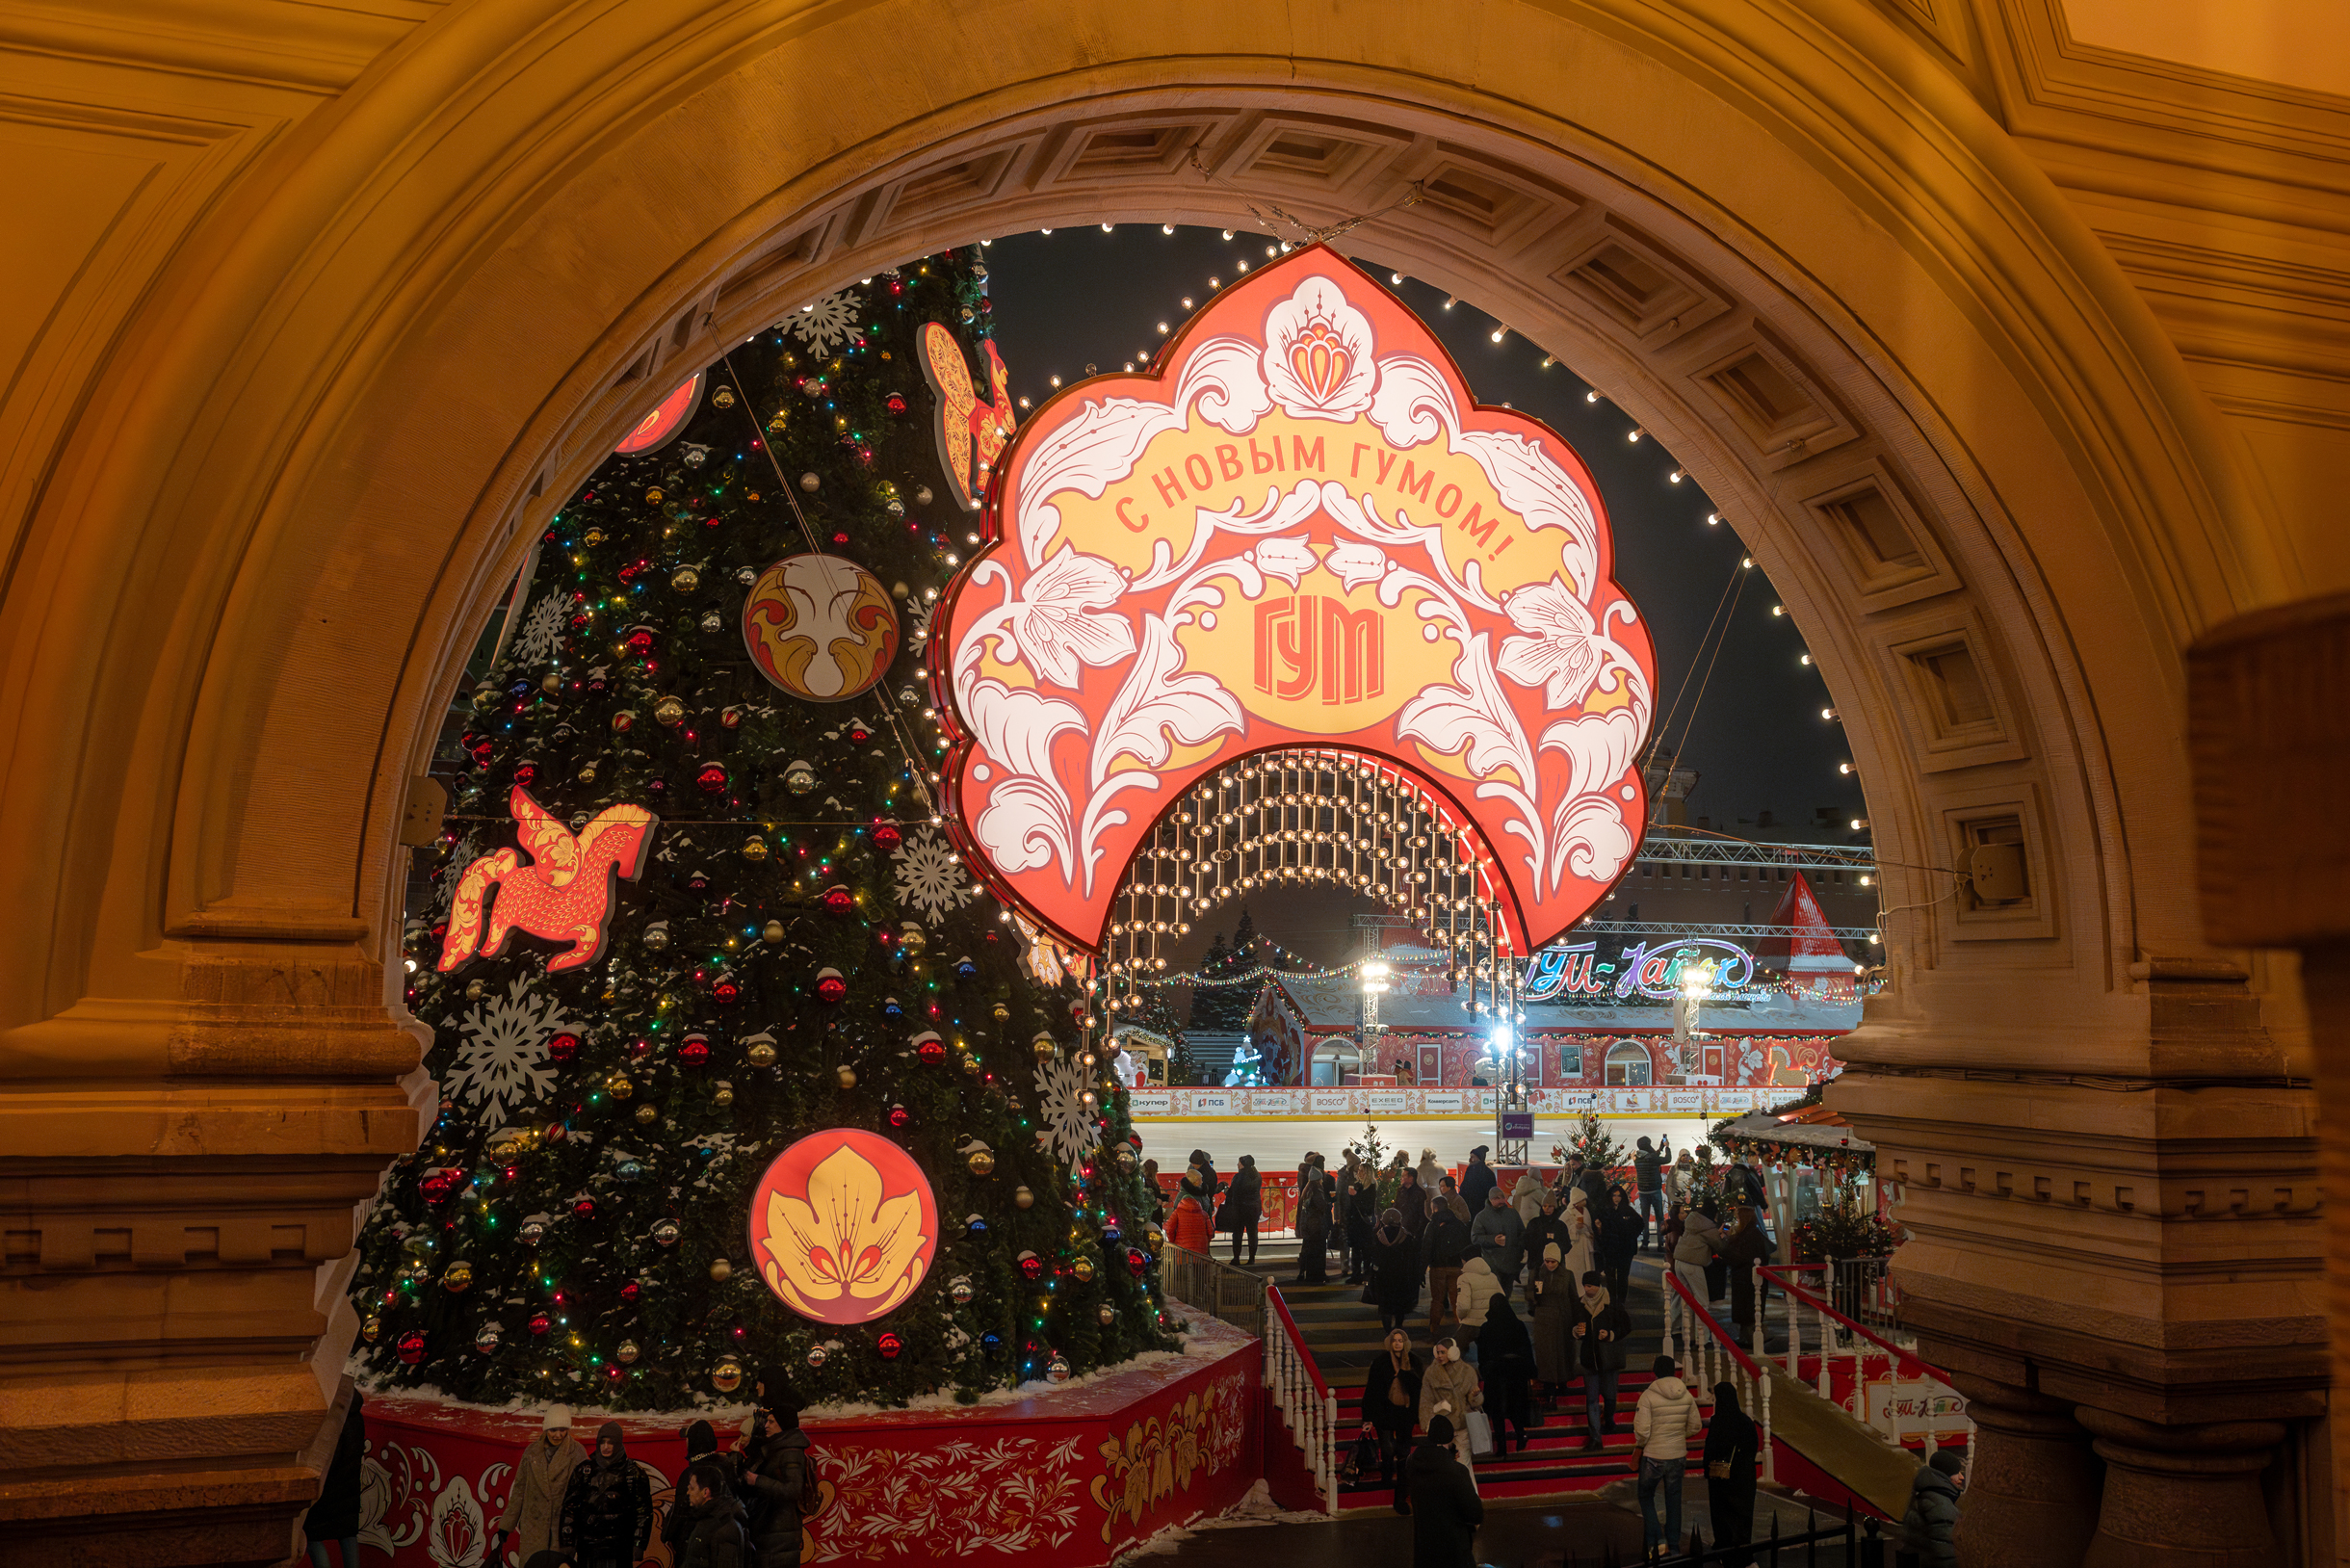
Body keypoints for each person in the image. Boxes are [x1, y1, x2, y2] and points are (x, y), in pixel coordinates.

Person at [736, 1373, 811, 1566]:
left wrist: (757, 1480)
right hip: (771, 1534)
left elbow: (793, 1489)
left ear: (783, 1425)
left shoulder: (790, 1453)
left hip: (779, 1539)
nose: (766, 1426)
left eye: (771, 1422)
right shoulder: (775, 1448)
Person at [495, 1405, 587, 1563]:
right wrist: (506, 1526)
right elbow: (519, 1491)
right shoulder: (532, 1452)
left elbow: (585, 1494)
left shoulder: (577, 1453)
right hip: (534, 1531)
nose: (558, 1435)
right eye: (553, 1430)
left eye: (562, 1429)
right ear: (545, 1429)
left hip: (561, 1533)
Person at [1632, 1355, 1704, 1559]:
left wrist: (1640, 1445)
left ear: (1656, 1371)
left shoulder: (1648, 1395)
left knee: (1645, 1496)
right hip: (1677, 1455)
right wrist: (1678, 1437)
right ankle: (1673, 1545)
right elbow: (1695, 1426)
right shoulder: (1686, 1394)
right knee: (1674, 1500)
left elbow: (1643, 1431)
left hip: (1653, 1456)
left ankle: (1657, 1540)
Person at [560, 1422, 653, 1568]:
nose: (606, 1447)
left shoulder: (633, 1473)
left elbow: (643, 1511)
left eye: (611, 1442)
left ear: (618, 1443)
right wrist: (568, 1542)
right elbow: (570, 1508)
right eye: (602, 1442)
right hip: (588, 1549)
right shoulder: (584, 1471)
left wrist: (638, 1544)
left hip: (619, 1550)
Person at [1401, 1414, 1484, 1567]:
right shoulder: (1457, 1471)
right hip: (1454, 1553)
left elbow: (1433, 1463)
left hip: (1425, 1554)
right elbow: (1475, 1513)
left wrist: (1447, 1458)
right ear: (1450, 1438)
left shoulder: (1413, 1464)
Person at [302, 1389, 365, 1567]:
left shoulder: (333, 1420)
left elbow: (329, 1455)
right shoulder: (355, 1415)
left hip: (327, 1489)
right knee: (347, 1533)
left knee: (312, 1536)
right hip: (349, 1487)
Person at [1573, 1270, 1631, 1450]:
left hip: (1608, 1358)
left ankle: (1610, 1419)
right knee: (1591, 1399)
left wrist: (1611, 1335)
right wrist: (1576, 1332)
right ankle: (1596, 1437)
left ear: (1598, 1286)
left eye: (1590, 1286)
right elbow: (1574, 1325)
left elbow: (1626, 1326)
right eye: (1585, 1286)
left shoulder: (1612, 1304)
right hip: (1589, 1358)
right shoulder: (1580, 1305)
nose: (1587, 1289)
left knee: (1609, 1395)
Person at [1704, 1380, 1761, 1566]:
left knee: (1722, 1515)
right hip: (1744, 1477)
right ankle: (1743, 1551)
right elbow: (1754, 1445)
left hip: (1722, 1479)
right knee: (1742, 1515)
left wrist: (1708, 1470)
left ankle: (1725, 1551)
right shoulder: (1744, 1421)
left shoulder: (1718, 1422)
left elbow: (1711, 1449)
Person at [1363, 1327, 1426, 1489]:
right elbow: (1372, 1390)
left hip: (1405, 1412)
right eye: (1394, 1341)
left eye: (1400, 1341)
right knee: (1387, 1449)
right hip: (1384, 1411)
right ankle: (1386, 1477)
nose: (1397, 1344)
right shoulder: (1380, 1362)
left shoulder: (1414, 1361)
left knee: (1404, 1450)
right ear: (1389, 1343)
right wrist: (1367, 1417)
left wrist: (1405, 1374)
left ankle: (1402, 1483)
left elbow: (1419, 1388)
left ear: (1405, 1343)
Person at [1477, 1294, 1537, 1454]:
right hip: (1516, 1372)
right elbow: (1527, 1348)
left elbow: (1482, 1353)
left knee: (1496, 1411)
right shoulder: (1517, 1325)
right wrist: (1531, 1370)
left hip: (1496, 1372)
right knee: (1515, 1407)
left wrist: (1484, 1370)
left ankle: (1502, 1447)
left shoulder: (1487, 1327)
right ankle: (1520, 1434)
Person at [661, 1421, 731, 1556]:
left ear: (693, 1442)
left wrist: (669, 1536)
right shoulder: (727, 1468)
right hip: (725, 1542)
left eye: (688, 1438)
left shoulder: (690, 1474)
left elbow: (680, 1513)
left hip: (694, 1543)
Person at [1417, 1338, 1482, 1474]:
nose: (1440, 1356)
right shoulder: (1430, 1373)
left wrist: (1476, 1396)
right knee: (1443, 1468)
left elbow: (1474, 1402)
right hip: (1441, 1427)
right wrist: (1428, 1424)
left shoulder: (1467, 1371)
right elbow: (1426, 1401)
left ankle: (1469, 1494)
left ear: (1453, 1352)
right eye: (1438, 1352)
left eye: (1443, 1352)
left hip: (1462, 1426)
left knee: (1463, 1467)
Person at [1527, 1241, 1578, 1401]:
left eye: (1553, 1262)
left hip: (1563, 1318)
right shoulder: (1536, 1273)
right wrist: (1534, 1296)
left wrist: (1577, 1320)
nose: (1549, 1265)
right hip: (1543, 1319)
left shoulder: (1568, 1275)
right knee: (1546, 1354)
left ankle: (1563, 1384)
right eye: (1547, 1261)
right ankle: (1549, 1390)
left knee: (1563, 1352)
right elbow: (1529, 1297)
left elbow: (1573, 1297)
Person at [674, 1462, 750, 1568]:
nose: (688, 1493)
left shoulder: (726, 1527)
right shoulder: (702, 1518)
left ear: (706, 1492)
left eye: (692, 1488)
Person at [1897, 1449, 1965, 1568]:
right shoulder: (1941, 1505)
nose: (1961, 1477)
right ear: (1945, 1475)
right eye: (1957, 1472)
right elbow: (1944, 1553)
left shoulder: (1924, 1494)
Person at [1721, 1203, 1775, 1345]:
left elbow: (1737, 1256)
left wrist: (1726, 1242)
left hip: (1745, 1280)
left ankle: (1752, 1340)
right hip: (1748, 1279)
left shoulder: (1747, 1237)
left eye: (1738, 1219)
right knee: (1751, 1312)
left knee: (1748, 1313)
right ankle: (1750, 1338)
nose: (1736, 1222)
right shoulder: (1753, 1234)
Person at [1670, 1201, 1724, 1338]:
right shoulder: (1709, 1228)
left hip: (1679, 1261)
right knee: (1701, 1301)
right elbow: (1721, 1248)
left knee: (1687, 1300)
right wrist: (1722, 1237)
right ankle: (1702, 1338)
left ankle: (1688, 1336)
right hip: (1693, 1264)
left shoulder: (1692, 1220)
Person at [1368, 1206, 1423, 1331]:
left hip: (1383, 1276)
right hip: (1402, 1275)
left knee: (1385, 1305)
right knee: (1400, 1305)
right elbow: (1413, 1259)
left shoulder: (1378, 1236)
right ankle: (1398, 1327)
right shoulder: (1406, 1236)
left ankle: (1387, 1331)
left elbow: (1374, 1257)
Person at [1423, 1193, 1471, 1336]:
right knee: (1457, 1300)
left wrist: (1421, 1268)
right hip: (1456, 1267)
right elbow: (1466, 1244)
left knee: (1437, 1300)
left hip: (1438, 1267)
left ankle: (1434, 1328)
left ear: (1435, 1209)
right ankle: (1461, 1329)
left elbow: (1426, 1247)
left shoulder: (1432, 1225)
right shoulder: (1458, 1224)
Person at [1470, 1184, 1525, 1294]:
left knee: (1507, 1292)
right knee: (1495, 1293)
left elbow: (1522, 1233)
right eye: (1496, 1198)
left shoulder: (1512, 1214)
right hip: (1492, 1263)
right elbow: (1475, 1238)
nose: (1500, 1200)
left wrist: (1518, 1250)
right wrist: (1492, 1240)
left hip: (1510, 1262)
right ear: (1490, 1200)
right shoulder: (1482, 1217)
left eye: (1502, 1197)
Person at [1453, 1252, 1502, 1364]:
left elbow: (1463, 1305)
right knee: (1487, 1357)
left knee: (1455, 1352)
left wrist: (1462, 1318)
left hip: (1470, 1324)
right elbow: (1501, 1299)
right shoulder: (1493, 1277)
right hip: (1489, 1323)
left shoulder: (1464, 1278)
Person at [1601, 1183, 1642, 1301]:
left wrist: (1631, 1235)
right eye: (1614, 1195)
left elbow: (1640, 1224)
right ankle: (1613, 1299)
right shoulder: (1605, 1211)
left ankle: (1621, 1301)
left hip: (1625, 1249)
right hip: (1610, 1248)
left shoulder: (1628, 1211)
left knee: (1623, 1276)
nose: (1616, 1198)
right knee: (1610, 1276)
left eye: (1619, 1196)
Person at [1294, 1160, 1331, 1284]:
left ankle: (1306, 1274)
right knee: (1318, 1253)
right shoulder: (1317, 1190)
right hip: (1316, 1227)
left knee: (1309, 1251)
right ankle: (1316, 1277)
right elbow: (1322, 1206)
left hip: (1309, 1227)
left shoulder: (1307, 1190)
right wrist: (1329, 1204)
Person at [1632, 1136, 1671, 1250]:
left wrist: (1660, 1148)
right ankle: (1660, 1243)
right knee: (1659, 1218)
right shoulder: (1652, 1158)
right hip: (1654, 1191)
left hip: (1643, 1192)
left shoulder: (1637, 1158)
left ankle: (1645, 1243)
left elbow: (1653, 1155)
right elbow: (1667, 1159)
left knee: (1645, 1217)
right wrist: (1667, 1147)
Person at [1167, 1159, 1214, 1252]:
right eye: (1199, 1180)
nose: (1202, 1182)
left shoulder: (1201, 1192)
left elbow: (1170, 1225)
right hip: (1191, 1236)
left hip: (1193, 1238)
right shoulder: (1184, 1195)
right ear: (1194, 1181)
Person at [1224, 1154, 1263, 1265]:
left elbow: (1233, 1193)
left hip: (1240, 1209)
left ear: (1243, 1165)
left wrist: (1225, 1190)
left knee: (1237, 1234)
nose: (1237, 1164)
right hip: (1254, 1209)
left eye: (1239, 1163)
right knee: (1252, 1233)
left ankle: (1236, 1258)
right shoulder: (1257, 1176)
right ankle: (1252, 1258)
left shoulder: (1239, 1177)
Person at [1345, 1170, 1380, 1285]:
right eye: (1359, 1170)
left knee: (1366, 1249)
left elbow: (1367, 1206)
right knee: (1355, 1249)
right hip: (1355, 1222)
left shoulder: (1372, 1188)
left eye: (1362, 1171)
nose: (1359, 1173)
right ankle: (1356, 1274)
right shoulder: (1358, 1186)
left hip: (1365, 1223)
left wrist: (1355, 1195)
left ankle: (1366, 1274)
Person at [1460, 1146, 1497, 1212]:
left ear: (1480, 1158)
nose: (1470, 1159)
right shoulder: (1471, 1170)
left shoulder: (1485, 1173)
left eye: (1473, 1157)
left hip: (1478, 1206)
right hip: (1475, 1206)